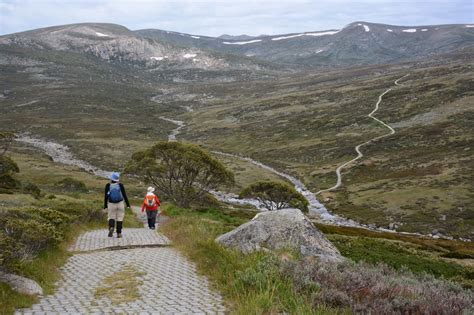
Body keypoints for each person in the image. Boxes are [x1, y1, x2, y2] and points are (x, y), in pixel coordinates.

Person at [104, 172, 130, 238]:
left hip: (111, 203)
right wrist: (128, 204)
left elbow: (106, 196)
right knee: (120, 217)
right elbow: (124, 195)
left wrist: (105, 205)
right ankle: (119, 233)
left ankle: (111, 227)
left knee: (111, 217)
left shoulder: (108, 185)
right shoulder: (120, 185)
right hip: (120, 203)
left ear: (111, 178)